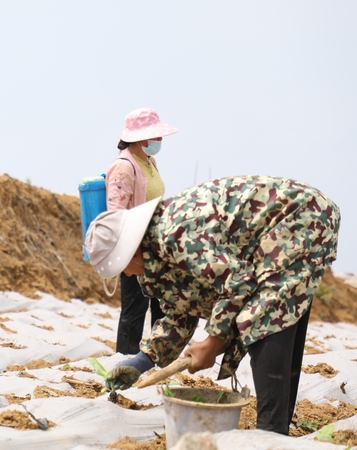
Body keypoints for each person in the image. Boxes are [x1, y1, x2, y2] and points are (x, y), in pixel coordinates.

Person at [84, 175, 340, 435]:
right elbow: (181, 309)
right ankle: (276, 430)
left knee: (263, 315)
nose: (125, 274)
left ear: (131, 251)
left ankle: (270, 434)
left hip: (300, 216)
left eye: (122, 267)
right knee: (276, 312)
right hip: (292, 223)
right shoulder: (157, 250)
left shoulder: (175, 233)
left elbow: (237, 283)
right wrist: (143, 360)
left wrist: (212, 343)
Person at [106, 107, 177, 355]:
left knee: (161, 306)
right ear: (142, 138)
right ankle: (125, 363)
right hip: (134, 249)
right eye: (157, 136)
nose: (160, 141)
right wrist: (130, 254)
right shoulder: (124, 167)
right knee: (135, 309)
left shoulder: (149, 162)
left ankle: (158, 359)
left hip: (155, 248)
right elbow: (116, 213)